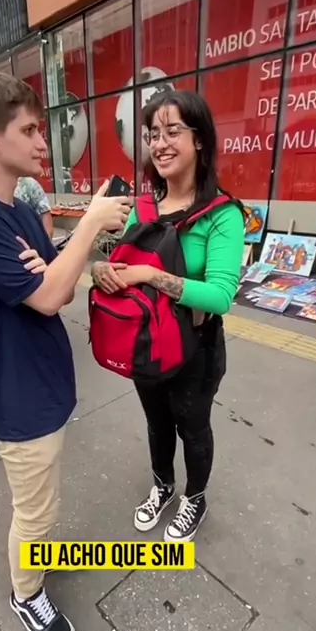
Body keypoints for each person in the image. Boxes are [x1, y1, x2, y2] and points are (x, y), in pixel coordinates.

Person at [0, 70, 131, 631]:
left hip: (46, 379)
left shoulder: (19, 207)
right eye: (30, 130)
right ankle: (27, 593)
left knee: (42, 499)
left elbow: (58, 288)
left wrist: (56, 271)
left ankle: (38, 553)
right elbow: (46, 296)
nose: (44, 143)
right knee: (35, 509)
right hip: (17, 392)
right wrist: (89, 225)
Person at [91, 91, 244, 543]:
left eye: (172, 131)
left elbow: (221, 296)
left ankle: (195, 498)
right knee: (157, 423)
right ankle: (163, 486)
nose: (160, 143)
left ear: (199, 140)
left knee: (192, 427)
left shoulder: (222, 215)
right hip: (146, 342)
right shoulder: (140, 208)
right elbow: (113, 262)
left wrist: (149, 275)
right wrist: (101, 270)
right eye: (153, 134)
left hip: (195, 349)